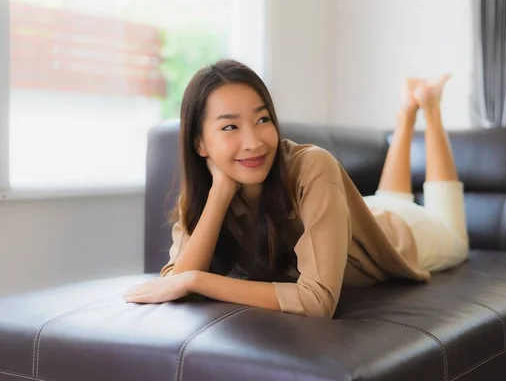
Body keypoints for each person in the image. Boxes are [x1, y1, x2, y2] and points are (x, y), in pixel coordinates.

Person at [123, 60, 469, 318]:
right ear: (200, 144)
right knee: (390, 200)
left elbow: (317, 301)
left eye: (262, 119)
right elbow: (175, 279)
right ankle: (407, 112)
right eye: (230, 126)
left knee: (454, 238)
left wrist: (199, 281)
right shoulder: (211, 185)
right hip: (362, 216)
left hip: (403, 234)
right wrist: (220, 194)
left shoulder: (313, 164)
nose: (253, 142)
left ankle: (430, 107)